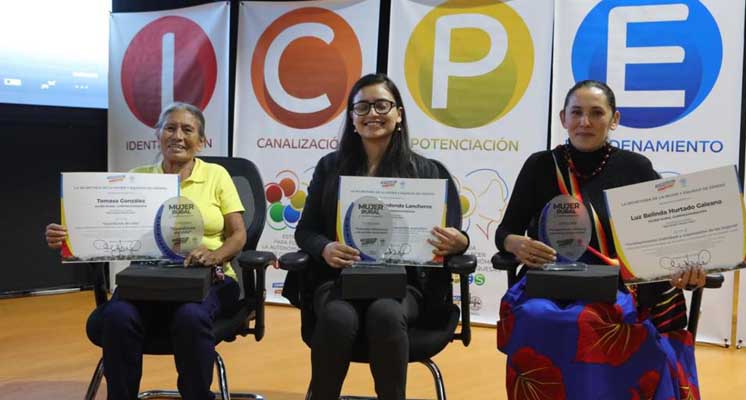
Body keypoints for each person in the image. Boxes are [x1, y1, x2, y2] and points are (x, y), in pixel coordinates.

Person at [495, 80, 707, 400]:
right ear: (562, 117)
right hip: (549, 282)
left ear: (614, 119)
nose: (585, 122)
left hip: (617, 286)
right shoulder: (540, 166)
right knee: (537, 315)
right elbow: (504, 232)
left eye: (596, 113)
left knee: (591, 320)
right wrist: (515, 243)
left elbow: (665, 237)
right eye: (576, 112)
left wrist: (684, 266)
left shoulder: (635, 168)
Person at [281, 73, 469, 400]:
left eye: (382, 105)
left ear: (399, 115)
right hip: (340, 280)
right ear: (352, 119)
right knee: (338, 317)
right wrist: (324, 248)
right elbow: (305, 231)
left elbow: (457, 235)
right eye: (362, 107)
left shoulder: (428, 172)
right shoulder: (330, 168)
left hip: (405, 285)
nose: (372, 114)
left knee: (386, 312)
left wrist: (459, 242)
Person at [45, 102, 246, 400]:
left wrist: (215, 255)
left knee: (190, 317)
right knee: (117, 316)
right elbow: (104, 227)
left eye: (187, 129)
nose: (177, 135)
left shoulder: (217, 175)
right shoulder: (138, 177)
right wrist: (67, 236)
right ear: (158, 135)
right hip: (147, 280)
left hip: (207, 277)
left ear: (201, 141)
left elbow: (238, 234)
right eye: (170, 128)